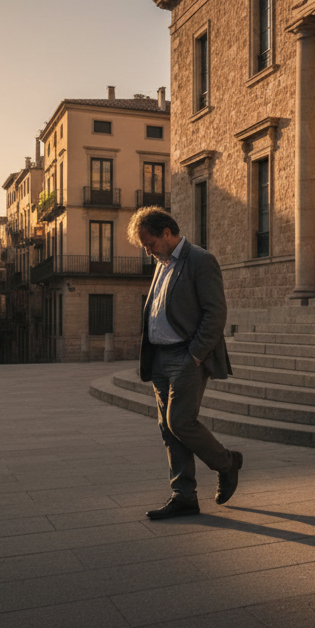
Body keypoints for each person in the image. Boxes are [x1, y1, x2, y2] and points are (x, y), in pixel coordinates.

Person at [129, 206, 240, 520]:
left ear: (166, 233)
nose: (147, 250)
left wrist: (195, 354)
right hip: (160, 358)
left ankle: (227, 462)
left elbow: (215, 313)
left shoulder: (200, 260)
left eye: (149, 243)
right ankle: (184, 496)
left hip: (186, 357)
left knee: (180, 422)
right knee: (168, 428)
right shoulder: (162, 264)